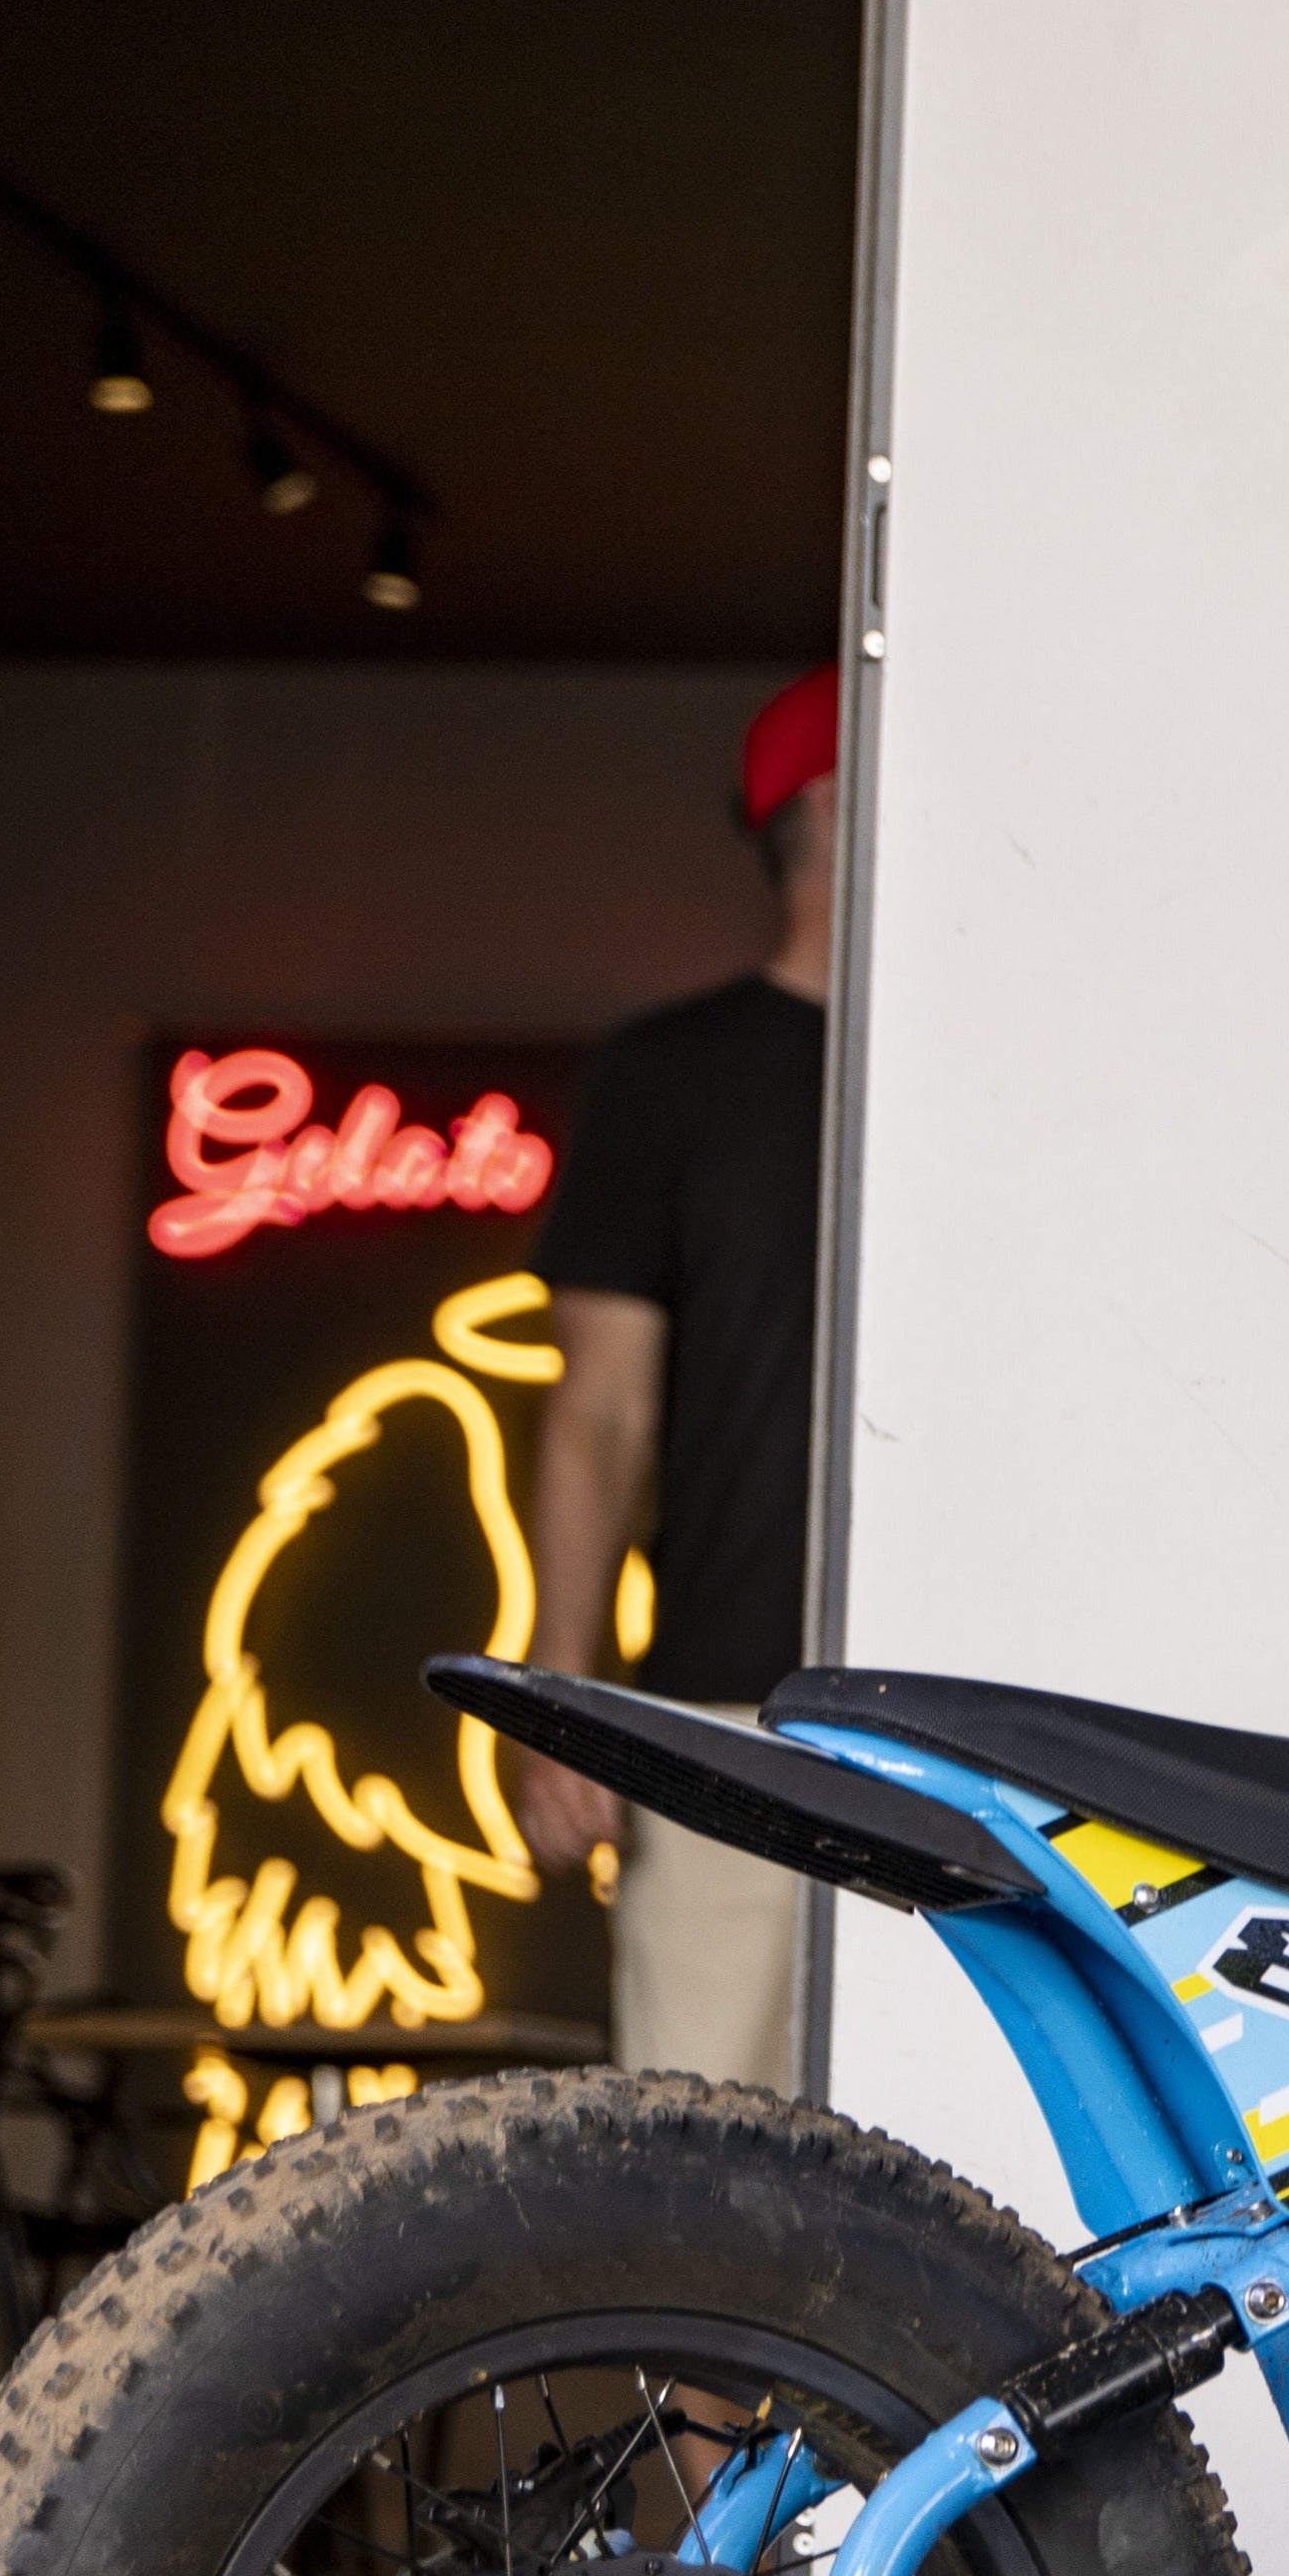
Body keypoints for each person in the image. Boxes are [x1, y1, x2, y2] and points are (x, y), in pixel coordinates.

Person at [513, 664, 839, 2087]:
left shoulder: (1012, 1078)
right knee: (704, 2169)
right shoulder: (674, 1077)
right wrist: (562, 1696)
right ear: (832, 805)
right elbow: (597, 1408)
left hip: (992, 1729)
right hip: (727, 1715)